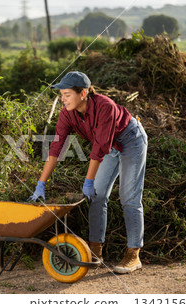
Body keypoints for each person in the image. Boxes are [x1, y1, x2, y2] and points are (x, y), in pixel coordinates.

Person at [29, 71, 147, 274]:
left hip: (131, 141)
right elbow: (56, 148)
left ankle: (133, 254)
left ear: (83, 93)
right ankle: (95, 252)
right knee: (97, 196)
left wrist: (88, 181)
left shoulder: (105, 107)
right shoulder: (67, 113)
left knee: (128, 197)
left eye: (67, 94)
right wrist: (41, 184)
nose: (62, 99)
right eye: (61, 95)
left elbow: (99, 149)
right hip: (108, 148)